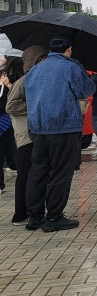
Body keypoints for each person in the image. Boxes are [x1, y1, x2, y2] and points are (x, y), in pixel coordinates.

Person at [24, 36, 96, 232]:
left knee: (38, 171)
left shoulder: (36, 68)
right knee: (60, 171)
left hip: (38, 127)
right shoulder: (71, 67)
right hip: (64, 126)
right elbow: (85, 90)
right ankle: (54, 217)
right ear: (69, 49)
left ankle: (34, 217)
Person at [6, 47, 44, 224]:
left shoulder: (34, 79)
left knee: (32, 174)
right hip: (25, 135)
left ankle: (29, 210)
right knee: (25, 174)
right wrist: (33, 107)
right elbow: (11, 107)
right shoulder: (24, 80)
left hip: (33, 134)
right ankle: (20, 213)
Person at [0, 57, 23, 193]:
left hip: (8, 123)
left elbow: (12, 104)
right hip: (6, 124)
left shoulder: (13, 86)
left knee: (13, 152)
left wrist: (8, 86)